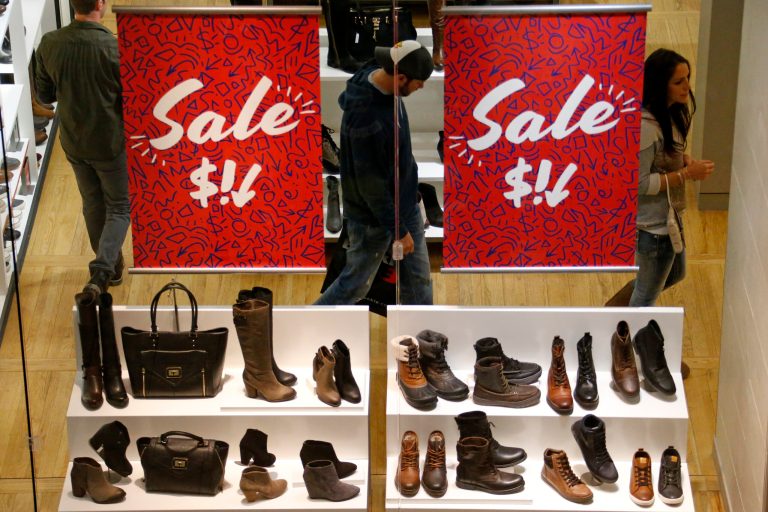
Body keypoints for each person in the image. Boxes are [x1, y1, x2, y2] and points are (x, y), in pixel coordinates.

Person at [315, 40, 434, 306]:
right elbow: (373, 189)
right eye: (418, 82)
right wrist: (398, 230)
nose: (421, 86)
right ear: (401, 77)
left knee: (419, 281)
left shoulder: (377, 72)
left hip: (404, 204)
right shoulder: (367, 119)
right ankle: (307, 325)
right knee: (354, 287)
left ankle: (420, 342)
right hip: (374, 219)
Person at [36, 0, 129, 298]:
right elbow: (132, 99)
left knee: (92, 203)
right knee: (118, 207)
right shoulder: (114, 48)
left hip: (74, 140)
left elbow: (45, 95)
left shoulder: (50, 43)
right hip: (109, 141)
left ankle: (111, 267)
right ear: (100, 4)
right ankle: (102, 269)